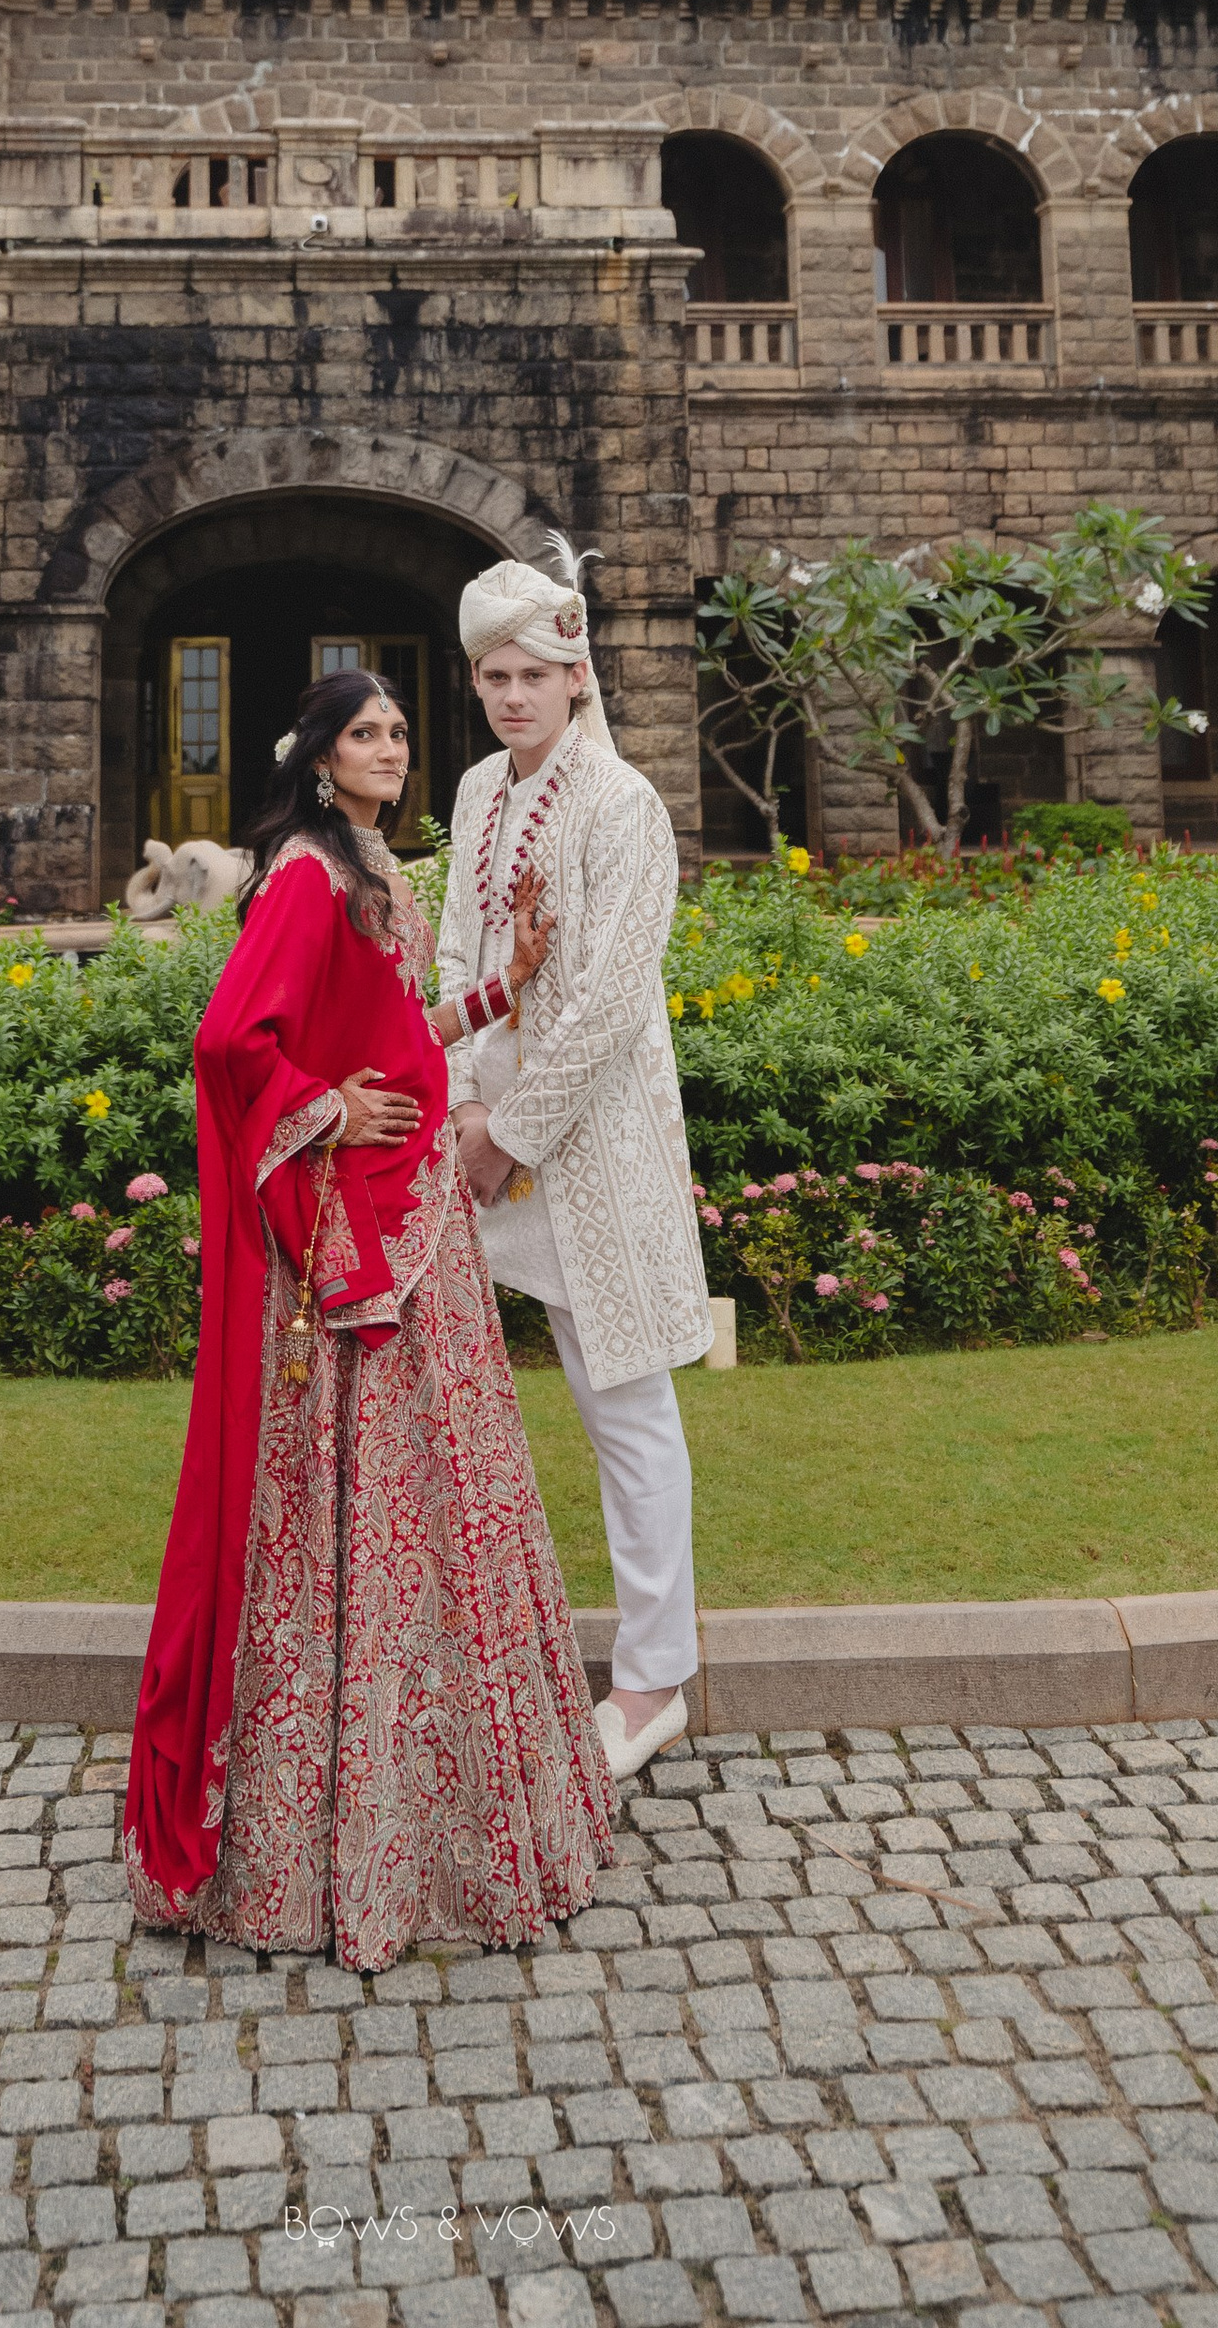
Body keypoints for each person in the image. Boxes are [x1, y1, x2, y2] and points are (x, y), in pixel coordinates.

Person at [123, 664, 610, 1971]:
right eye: (366, 732)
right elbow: (234, 1041)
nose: (390, 746)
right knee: (354, 1503)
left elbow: (406, 1037)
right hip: (351, 1234)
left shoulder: (370, 870)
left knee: (436, 1500)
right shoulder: (304, 873)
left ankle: (433, 1809)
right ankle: (328, 1838)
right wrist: (330, 1108)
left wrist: (505, 982)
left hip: (414, 1218)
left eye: (399, 729)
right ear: (321, 752)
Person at [437, 548, 714, 1786]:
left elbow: (608, 1002)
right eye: (493, 674)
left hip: (586, 1150)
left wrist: (511, 1132)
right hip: (472, 1143)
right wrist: (455, 1109)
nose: (511, 695)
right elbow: (453, 950)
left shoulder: (625, 805)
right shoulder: (473, 792)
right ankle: (446, 1651)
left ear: (577, 674)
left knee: (627, 1414)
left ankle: (653, 1678)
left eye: (534, 673)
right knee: (443, 1401)